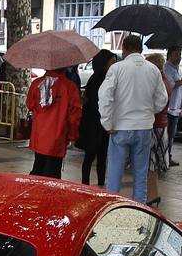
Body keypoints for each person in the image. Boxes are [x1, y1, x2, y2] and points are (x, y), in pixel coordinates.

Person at [99, 35, 167, 203]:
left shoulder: (116, 69)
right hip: (144, 127)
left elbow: (105, 96)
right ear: (141, 49)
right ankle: (140, 208)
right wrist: (149, 111)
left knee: (115, 174)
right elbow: (162, 99)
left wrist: (107, 122)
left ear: (124, 48)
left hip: (120, 126)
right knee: (141, 174)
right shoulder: (153, 70)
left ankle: (112, 206)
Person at [26, 65, 82, 179]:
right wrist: (73, 135)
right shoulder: (70, 87)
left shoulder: (36, 84)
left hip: (39, 135)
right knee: (52, 173)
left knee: (38, 167)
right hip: (58, 136)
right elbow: (74, 116)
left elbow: (30, 104)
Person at [79, 50, 116, 187]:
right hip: (93, 123)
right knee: (90, 155)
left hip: (103, 123)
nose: (114, 65)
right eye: (111, 62)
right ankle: (85, 183)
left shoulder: (108, 79)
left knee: (102, 156)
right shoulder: (96, 80)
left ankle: (100, 183)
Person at [145, 53, 170, 206]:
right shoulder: (164, 81)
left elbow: (157, 105)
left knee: (150, 163)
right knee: (152, 163)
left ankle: (152, 194)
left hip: (155, 126)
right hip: (160, 125)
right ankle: (153, 194)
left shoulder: (159, 82)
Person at [163, 47, 182, 167]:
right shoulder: (167, 68)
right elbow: (170, 85)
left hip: (176, 107)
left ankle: (168, 155)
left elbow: (180, 90)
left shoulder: (178, 69)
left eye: (180, 54)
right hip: (169, 107)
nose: (178, 57)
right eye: (176, 54)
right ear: (170, 55)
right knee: (167, 134)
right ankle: (165, 156)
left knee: (172, 134)